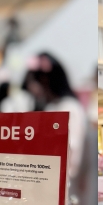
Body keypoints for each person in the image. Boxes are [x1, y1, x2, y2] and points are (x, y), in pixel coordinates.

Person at [25, 53, 87, 182]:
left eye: (35, 82)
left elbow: (71, 149)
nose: (33, 88)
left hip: (62, 179)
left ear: (46, 81)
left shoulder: (70, 108)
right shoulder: (50, 106)